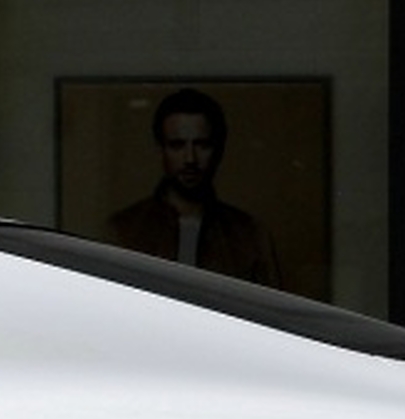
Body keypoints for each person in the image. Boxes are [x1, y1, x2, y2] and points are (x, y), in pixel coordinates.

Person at [106, 87, 280, 286]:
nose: (190, 159)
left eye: (202, 144)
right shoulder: (123, 231)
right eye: (177, 145)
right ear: (160, 149)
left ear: (218, 149)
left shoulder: (250, 236)